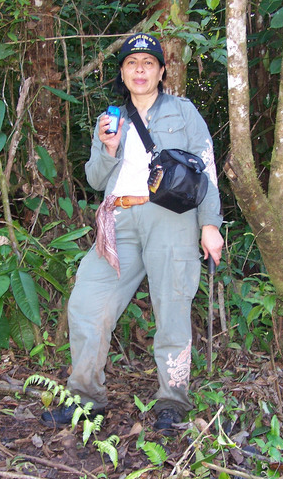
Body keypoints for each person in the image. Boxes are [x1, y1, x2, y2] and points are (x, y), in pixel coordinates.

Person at [41, 32, 224, 432]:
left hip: (171, 220)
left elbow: (205, 168)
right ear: (122, 73)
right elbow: (92, 178)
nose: (139, 69)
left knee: (172, 308)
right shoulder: (110, 119)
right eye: (131, 63)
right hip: (119, 221)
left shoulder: (184, 112)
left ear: (161, 71)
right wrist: (108, 149)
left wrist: (210, 224)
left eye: (148, 63)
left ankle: (172, 401)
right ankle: (86, 398)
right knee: (87, 303)